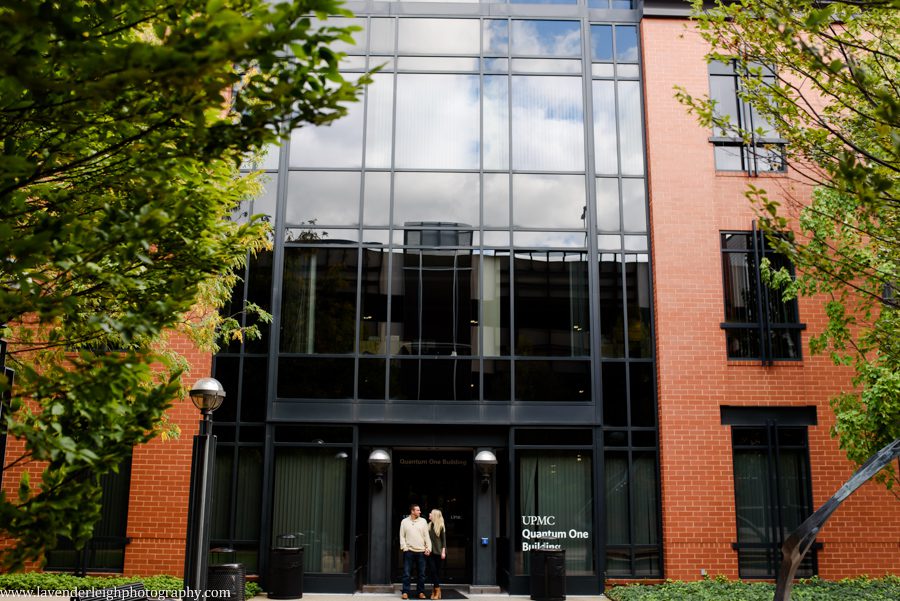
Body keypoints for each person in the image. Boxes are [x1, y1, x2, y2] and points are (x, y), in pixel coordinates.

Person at [399, 503, 431, 600]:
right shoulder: (404, 522)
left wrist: (428, 548)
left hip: (421, 552)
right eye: (417, 510)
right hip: (409, 551)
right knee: (407, 573)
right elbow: (402, 536)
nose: (419, 512)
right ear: (412, 511)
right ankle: (405, 592)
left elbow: (426, 536)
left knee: (421, 574)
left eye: (419, 510)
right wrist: (404, 548)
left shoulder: (423, 521)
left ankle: (420, 592)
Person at [427, 509, 447, 600]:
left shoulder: (441, 526)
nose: (429, 514)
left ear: (434, 515)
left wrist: (443, 552)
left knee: (437, 572)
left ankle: (435, 590)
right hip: (430, 552)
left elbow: (444, 541)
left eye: (431, 513)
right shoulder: (429, 525)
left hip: (439, 553)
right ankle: (437, 589)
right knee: (432, 570)